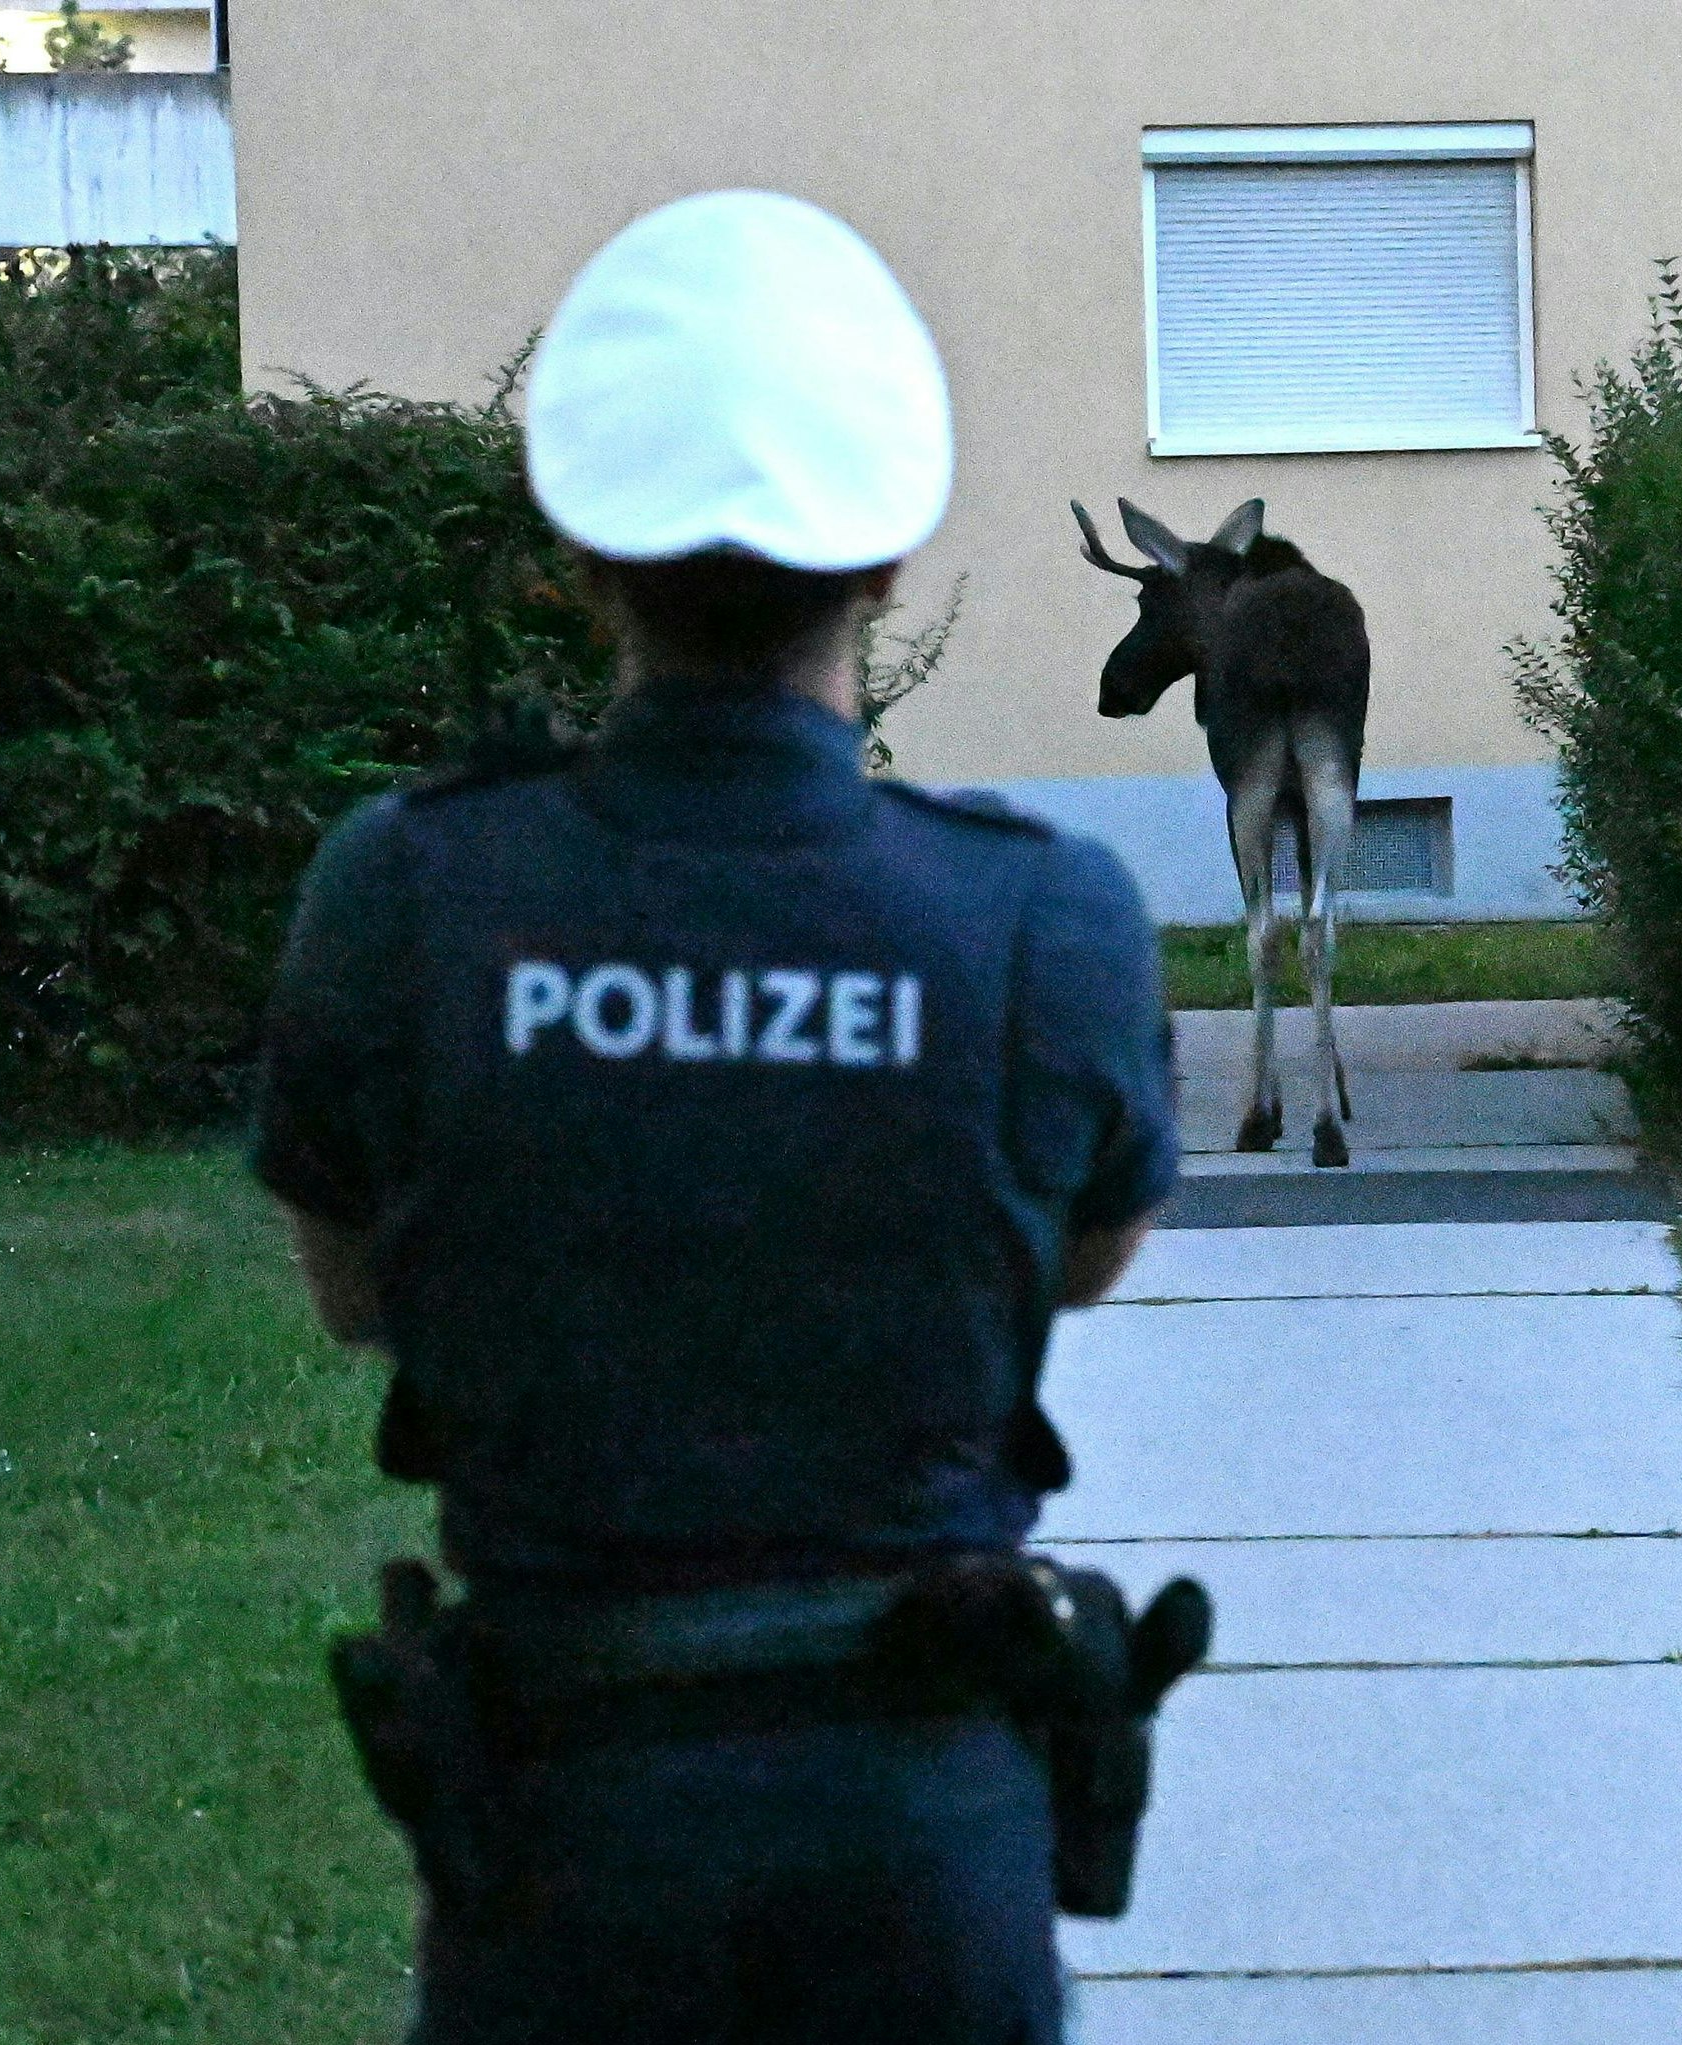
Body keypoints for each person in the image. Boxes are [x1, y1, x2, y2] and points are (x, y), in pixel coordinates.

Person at [251, 190, 1180, 2044]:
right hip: (917, 1832)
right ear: (890, 561)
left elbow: (354, 1292)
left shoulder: (410, 888)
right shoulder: (1040, 912)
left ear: (581, 557)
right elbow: (1082, 1260)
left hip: (561, 1835)